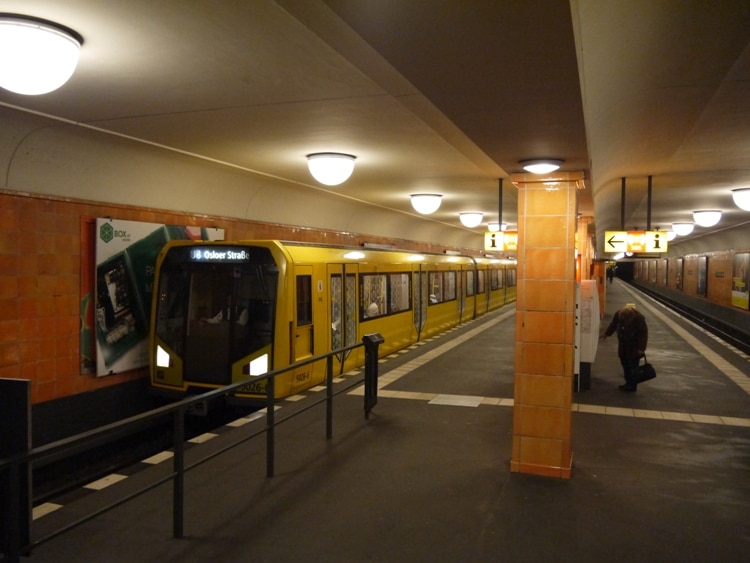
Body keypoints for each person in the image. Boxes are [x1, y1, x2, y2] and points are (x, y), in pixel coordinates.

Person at [599, 304, 648, 392]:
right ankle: (627, 383)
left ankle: (632, 386)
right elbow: (613, 324)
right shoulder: (619, 314)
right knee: (625, 364)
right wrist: (607, 334)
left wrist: (641, 349)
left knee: (633, 366)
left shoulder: (639, 318)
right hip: (623, 345)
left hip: (634, 347)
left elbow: (643, 335)